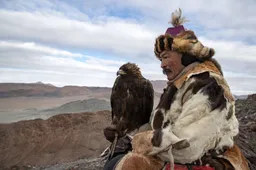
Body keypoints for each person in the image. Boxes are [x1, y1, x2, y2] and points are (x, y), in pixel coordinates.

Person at [103, 9, 250, 170]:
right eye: (161, 59)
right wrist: (128, 136)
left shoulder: (208, 86)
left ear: (185, 55)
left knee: (128, 164)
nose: (162, 65)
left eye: (166, 57)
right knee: (115, 162)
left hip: (206, 162)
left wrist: (139, 142)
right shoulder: (180, 85)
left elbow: (188, 145)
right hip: (181, 157)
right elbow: (162, 128)